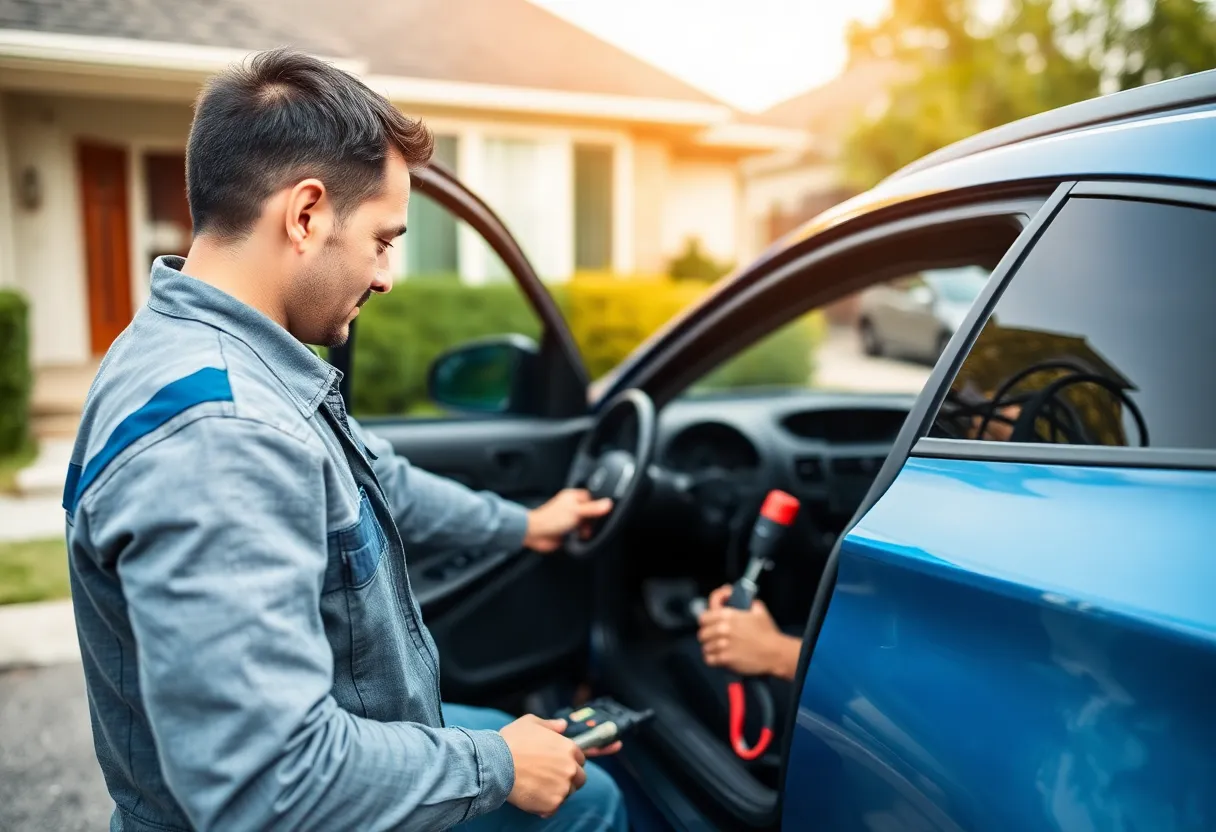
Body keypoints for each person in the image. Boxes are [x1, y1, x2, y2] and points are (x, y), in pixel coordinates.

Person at [64, 48, 625, 832]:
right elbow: (267, 785)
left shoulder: (214, 356)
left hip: (367, 738)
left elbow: (374, 478)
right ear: (305, 214)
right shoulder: (224, 441)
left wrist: (527, 524)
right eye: (384, 238)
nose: (389, 273)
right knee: (589, 806)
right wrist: (497, 765)